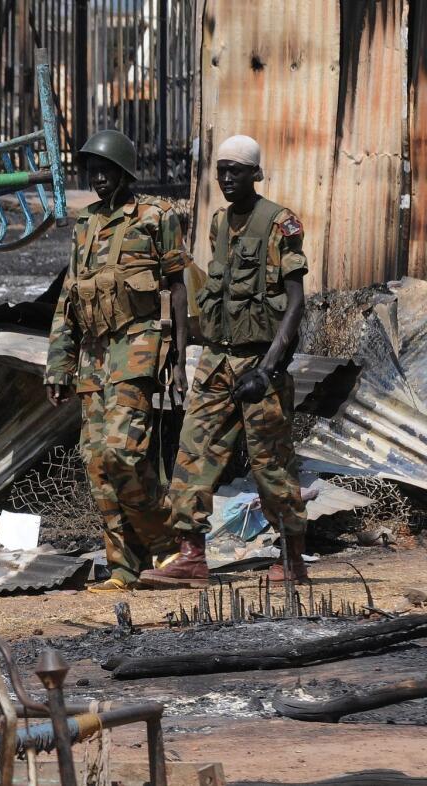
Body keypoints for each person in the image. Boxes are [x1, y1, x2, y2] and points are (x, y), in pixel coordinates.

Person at [140, 134, 309, 588]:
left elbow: (295, 304)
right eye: (222, 170)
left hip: (259, 364)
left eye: (237, 170)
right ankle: (192, 555)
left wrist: (268, 369)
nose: (228, 178)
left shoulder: (278, 224)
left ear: (256, 173)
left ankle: (292, 558)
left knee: (270, 463)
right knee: (193, 452)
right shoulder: (217, 224)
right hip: (216, 361)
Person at [45, 130, 190, 593]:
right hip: (93, 355)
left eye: (107, 169)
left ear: (125, 171)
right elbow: (69, 298)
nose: (99, 178)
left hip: (138, 347)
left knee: (122, 452)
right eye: (93, 170)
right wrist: (58, 364)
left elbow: (179, 286)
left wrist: (181, 356)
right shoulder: (84, 224)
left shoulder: (156, 216)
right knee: (96, 463)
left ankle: (165, 543)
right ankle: (123, 568)